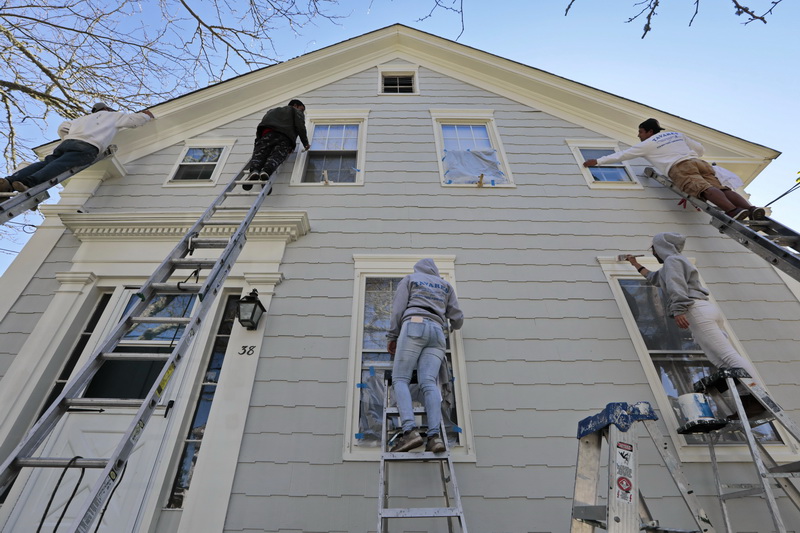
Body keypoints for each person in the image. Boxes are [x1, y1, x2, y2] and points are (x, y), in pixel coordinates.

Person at [626, 233, 761, 413]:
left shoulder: (672, 261)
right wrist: (635, 264)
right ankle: (748, 400)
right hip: (703, 309)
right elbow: (656, 279)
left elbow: (676, 285)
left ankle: (758, 396)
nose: (652, 252)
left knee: (728, 357)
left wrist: (679, 309)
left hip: (694, 309)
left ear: (661, 247)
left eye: (653, 248)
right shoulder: (675, 262)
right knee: (720, 360)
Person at [583, 118, 764, 221]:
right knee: (722, 189)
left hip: (680, 168)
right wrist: (689, 155)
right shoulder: (676, 134)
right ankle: (750, 208)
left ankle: (733, 211)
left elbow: (622, 155)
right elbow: (700, 149)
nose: (638, 135)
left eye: (640, 131)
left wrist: (597, 161)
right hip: (698, 162)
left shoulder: (648, 143)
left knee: (704, 189)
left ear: (648, 131)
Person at [386, 259, 464, 453]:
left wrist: (393, 335)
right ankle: (434, 437)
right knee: (429, 382)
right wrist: (452, 326)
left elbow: (398, 309)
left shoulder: (411, 279)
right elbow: (458, 319)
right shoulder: (446, 286)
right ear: (435, 271)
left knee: (400, 378)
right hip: (438, 331)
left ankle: (410, 432)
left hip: (414, 324)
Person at [0, 103, 154, 193]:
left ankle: (9, 181)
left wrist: (68, 139)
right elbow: (133, 121)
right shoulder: (113, 116)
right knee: (58, 166)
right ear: (107, 109)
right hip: (88, 146)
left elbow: (63, 127)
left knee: (46, 163)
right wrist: (146, 115)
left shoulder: (81, 119)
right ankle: (29, 183)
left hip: (68, 142)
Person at [243, 99, 310, 191]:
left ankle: (254, 171)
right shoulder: (295, 111)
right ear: (295, 105)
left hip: (266, 135)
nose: (302, 112)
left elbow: (262, 125)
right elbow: (300, 126)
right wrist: (305, 143)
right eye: (301, 109)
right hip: (284, 137)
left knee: (260, 154)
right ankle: (266, 172)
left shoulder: (272, 111)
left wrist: (258, 142)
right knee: (276, 156)